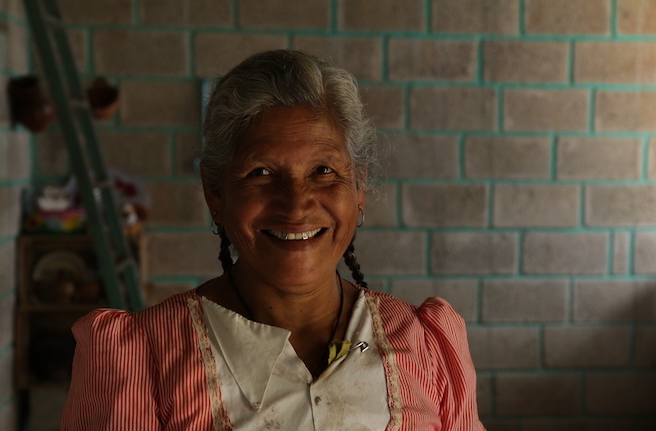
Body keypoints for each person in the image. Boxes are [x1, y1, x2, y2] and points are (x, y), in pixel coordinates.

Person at [61, 49, 485, 430]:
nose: (296, 205)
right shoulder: (139, 360)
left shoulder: (427, 347)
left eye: (323, 171)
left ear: (359, 189)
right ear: (215, 191)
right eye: (261, 173)